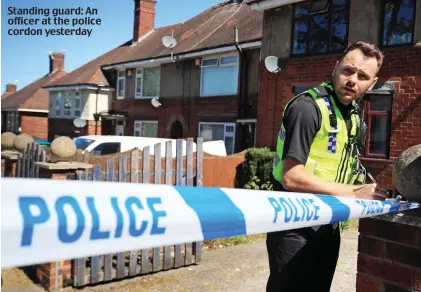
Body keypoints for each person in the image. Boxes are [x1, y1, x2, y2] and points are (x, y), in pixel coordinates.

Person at [267, 41, 387, 292]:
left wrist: (374, 189)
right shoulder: (308, 108)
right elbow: (292, 177)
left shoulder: (353, 116)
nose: (352, 79)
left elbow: (344, 166)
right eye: (348, 70)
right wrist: (354, 193)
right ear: (335, 68)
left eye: (363, 76)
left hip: (329, 222)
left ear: (372, 84)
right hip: (293, 225)